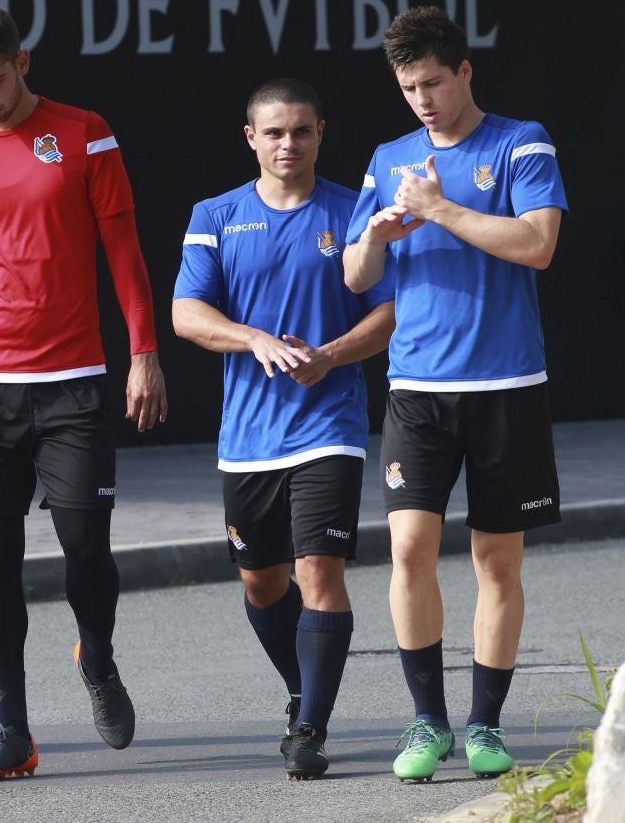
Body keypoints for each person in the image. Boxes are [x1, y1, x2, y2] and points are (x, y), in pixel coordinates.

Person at [0, 3, 168, 781]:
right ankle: (10, 729)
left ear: (25, 59)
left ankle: (99, 658)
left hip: (74, 381)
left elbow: (125, 253)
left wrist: (143, 353)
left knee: (87, 551)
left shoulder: (86, 132)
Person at [341, 6, 567, 782]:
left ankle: (485, 726)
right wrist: (376, 236)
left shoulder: (520, 141)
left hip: (507, 384)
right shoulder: (389, 155)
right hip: (417, 389)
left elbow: (538, 244)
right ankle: (426, 722)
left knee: (496, 563)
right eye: (409, 87)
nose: (423, 100)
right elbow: (354, 276)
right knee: (408, 550)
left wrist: (441, 209)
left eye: (433, 82)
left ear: (464, 71)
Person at [172, 79, 395, 780]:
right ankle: (302, 685)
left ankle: (310, 727)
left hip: (331, 424)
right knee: (263, 584)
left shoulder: (353, 210)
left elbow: (388, 314)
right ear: (251, 138)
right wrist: (253, 339)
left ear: (321, 132)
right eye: (274, 132)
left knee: (318, 569)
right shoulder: (215, 214)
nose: (288, 144)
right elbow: (186, 315)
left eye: (301, 130)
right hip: (248, 437)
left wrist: (328, 355)